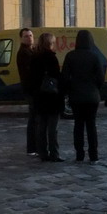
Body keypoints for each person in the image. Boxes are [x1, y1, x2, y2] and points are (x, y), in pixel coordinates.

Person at [61, 29, 105, 163]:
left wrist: (69, 90)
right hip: (92, 96)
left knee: (78, 125)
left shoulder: (70, 56)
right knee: (91, 126)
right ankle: (93, 154)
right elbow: (100, 78)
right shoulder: (94, 56)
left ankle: (79, 154)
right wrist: (95, 88)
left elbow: (64, 77)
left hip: (76, 96)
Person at [30, 32, 64, 161]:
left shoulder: (34, 57)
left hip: (39, 96)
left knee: (41, 126)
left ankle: (42, 152)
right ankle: (54, 153)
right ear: (50, 43)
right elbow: (56, 76)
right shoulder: (51, 57)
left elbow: (32, 77)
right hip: (51, 96)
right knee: (52, 127)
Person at [16, 27, 38, 156]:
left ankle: (33, 147)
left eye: (30, 35)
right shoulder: (24, 53)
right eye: (26, 36)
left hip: (32, 88)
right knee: (33, 118)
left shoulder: (31, 50)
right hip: (31, 89)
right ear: (21, 38)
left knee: (35, 118)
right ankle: (32, 147)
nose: (29, 38)